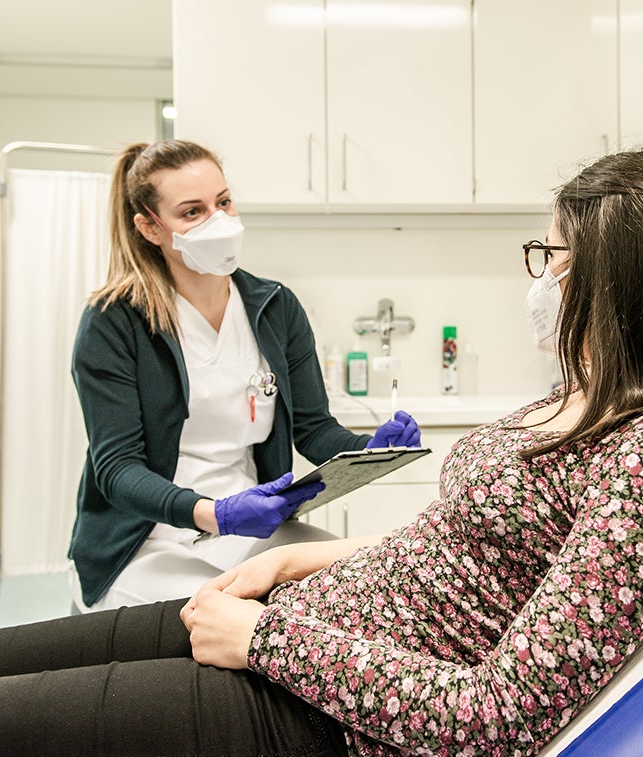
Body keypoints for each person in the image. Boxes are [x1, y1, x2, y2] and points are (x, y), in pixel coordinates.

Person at [0, 144, 643, 756]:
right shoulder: (579, 401)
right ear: (148, 225)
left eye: (555, 259)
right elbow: (471, 555)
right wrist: (303, 566)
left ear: (625, 287)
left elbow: (495, 715)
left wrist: (271, 639)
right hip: (271, 602)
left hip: (309, 704)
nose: (541, 277)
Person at [67, 139, 420, 612]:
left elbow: (314, 430)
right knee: (240, 626)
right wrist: (214, 514)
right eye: (192, 212)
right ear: (150, 227)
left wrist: (369, 451)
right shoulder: (115, 321)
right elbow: (117, 469)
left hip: (250, 528)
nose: (218, 220)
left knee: (360, 589)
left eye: (224, 202)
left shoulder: (275, 307)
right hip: (147, 543)